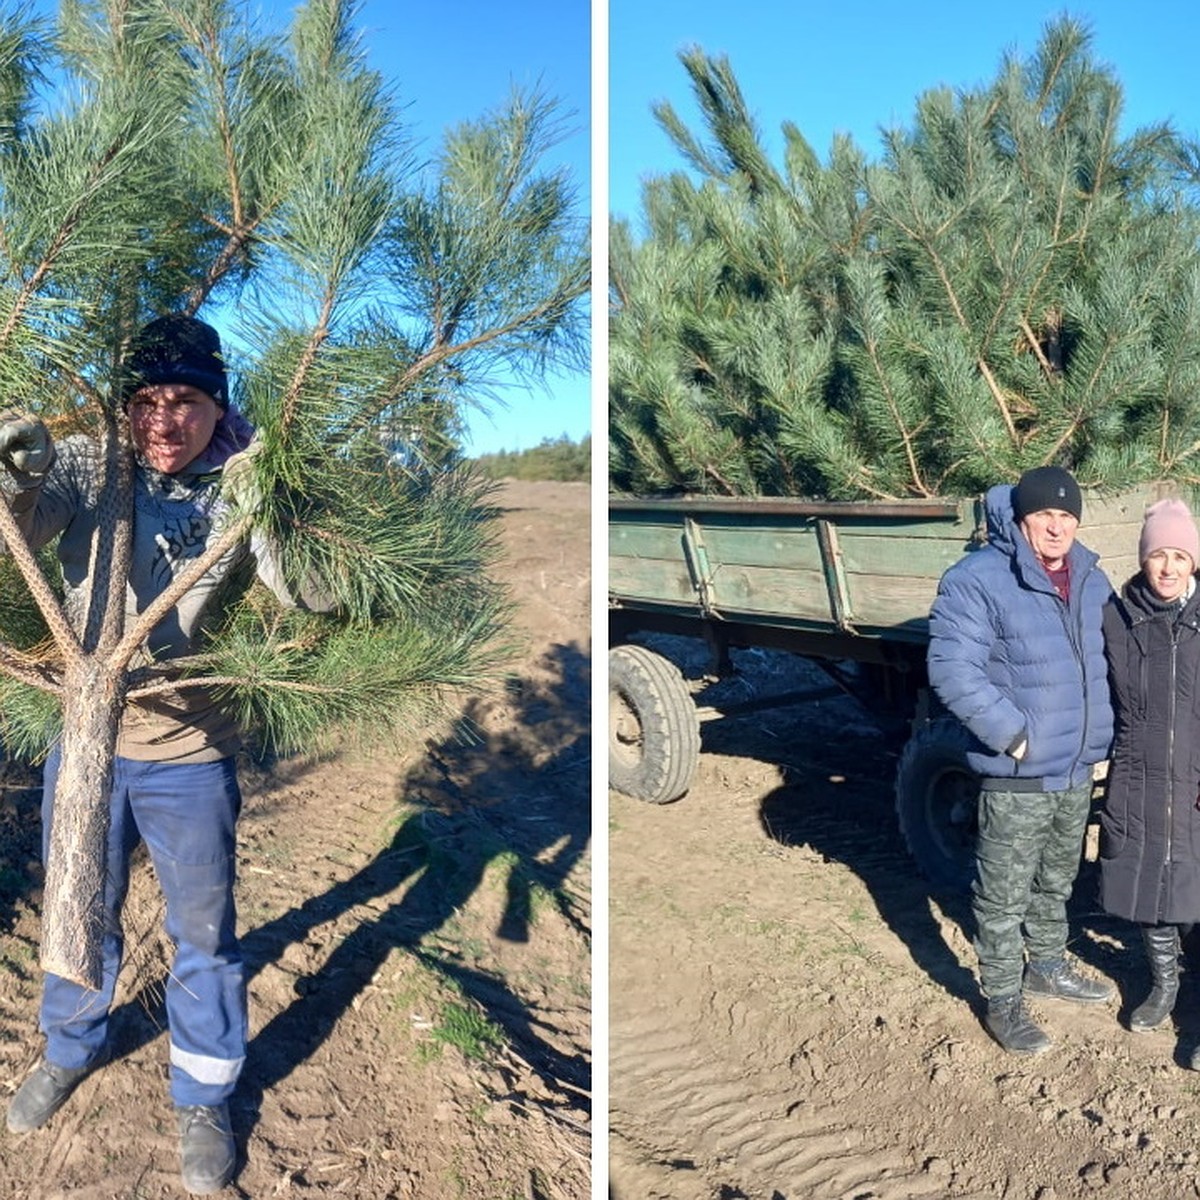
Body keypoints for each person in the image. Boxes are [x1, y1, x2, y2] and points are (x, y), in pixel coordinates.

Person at [0, 315, 328, 1194]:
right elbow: (21, 531)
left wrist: (290, 503)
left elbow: (314, 595)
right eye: (145, 401)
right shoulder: (88, 463)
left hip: (192, 750)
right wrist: (15, 472)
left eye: (185, 401)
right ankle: (69, 1049)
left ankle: (205, 1094)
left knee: (203, 937)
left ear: (217, 406)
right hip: (90, 745)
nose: (163, 422)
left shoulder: (242, 480)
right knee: (79, 907)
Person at [927, 465, 1115, 1055]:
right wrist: (1013, 736)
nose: (1056, 527)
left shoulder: (1091, 577)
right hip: (1020, 772)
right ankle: (1003, 998)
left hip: (1077, 766)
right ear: (1022, 518)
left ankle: (1049, 963)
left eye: (1066, 515)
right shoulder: (979, 579)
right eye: (1044, 515)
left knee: (1058, 878)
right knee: (1003, 891)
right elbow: (953, 670)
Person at [1099, 498, 1200, 1052]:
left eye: (1180, 556)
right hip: (1138, 777)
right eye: (1158, 555)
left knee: (1196, 885)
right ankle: (1164, 985)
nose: (1167, 567)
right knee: (1144, 886)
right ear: (1142, 559)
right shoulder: (1116, 617)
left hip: (1196, 777)